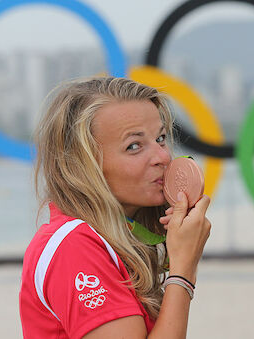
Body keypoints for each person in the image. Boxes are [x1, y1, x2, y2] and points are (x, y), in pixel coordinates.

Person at [19, 77, 211, 338]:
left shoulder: (111, 239)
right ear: (83, 165)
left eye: (161, 138)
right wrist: (183, 271)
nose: (163, 157)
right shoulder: (74, 246)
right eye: (134, 146)